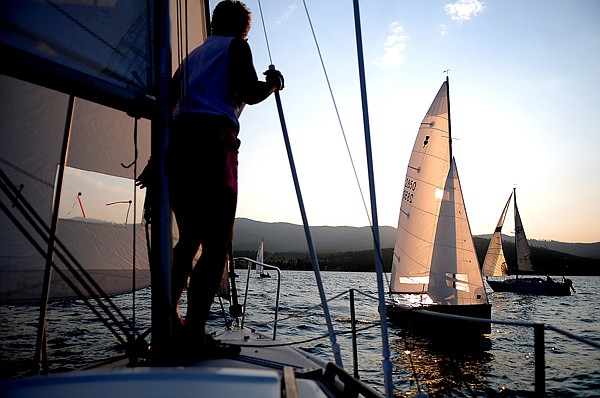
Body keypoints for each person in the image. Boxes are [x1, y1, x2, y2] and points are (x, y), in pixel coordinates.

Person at [140, 0, 283, 361]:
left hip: (178, 148)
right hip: (212, 143)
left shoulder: (190, 60)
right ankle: (193, 335)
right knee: (217, 245)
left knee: (188, 240)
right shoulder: (237, 47)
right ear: (242, 29)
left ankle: (167, 323)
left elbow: (166, 108)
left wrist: (156, 159)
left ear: (213, 23)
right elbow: (249, 92)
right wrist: (273, 84)